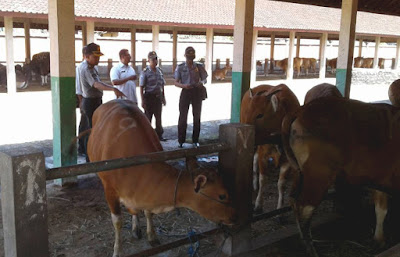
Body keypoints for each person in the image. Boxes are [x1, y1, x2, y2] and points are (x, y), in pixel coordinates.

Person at [78, 42, 125, 159]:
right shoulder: (85, 69)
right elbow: (96, 84)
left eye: (99, 56)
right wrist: (112, 88)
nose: (98, 59)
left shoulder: (92, 68)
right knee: (91, 130)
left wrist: (112, 88)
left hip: (95, 101)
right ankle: (89, 157)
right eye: (95, 56)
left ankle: (86, 152)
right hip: (90, 102)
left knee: (89, 128)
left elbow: (100, 82)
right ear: (87, 56)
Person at [174, 46, 208, 148]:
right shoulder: (180, 67)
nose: (190, 60)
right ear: (185, 56)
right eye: (188, 57)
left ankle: (195, 140)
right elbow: (175, 82)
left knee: (196, 117)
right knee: (183, 117)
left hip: (196, 92)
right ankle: (181, 140)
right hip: (185, 91)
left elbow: (205, 79)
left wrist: (201, 83)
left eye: (192, 57)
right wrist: (184, 86)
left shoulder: (199, 66)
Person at [139, 51, 166, 141]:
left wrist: (163, 97)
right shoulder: (145, 72)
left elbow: (162, 85)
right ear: (148, 60)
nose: (155, 61)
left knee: (158, 118)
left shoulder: (159, 71)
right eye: (153, 59)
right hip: (149, 97)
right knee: (148, 118)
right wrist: (142, 100)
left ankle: (159, 135)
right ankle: (147, 137)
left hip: (158, 97)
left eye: (156, 59)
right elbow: (141, 87)